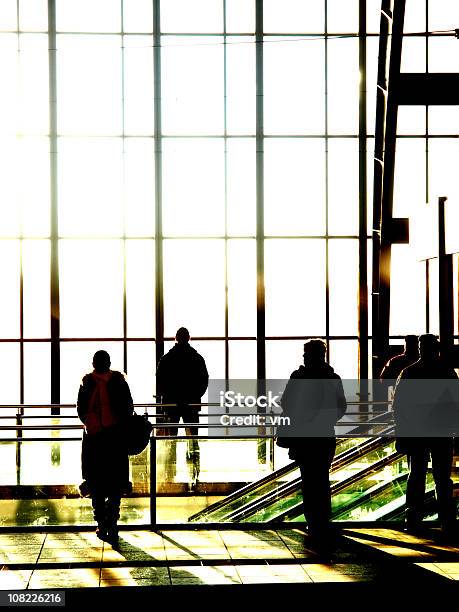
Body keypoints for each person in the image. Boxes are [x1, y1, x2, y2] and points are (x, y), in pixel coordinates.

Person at [279, 339, 347, 552]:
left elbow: (286, 403)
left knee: (308, 480)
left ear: (308, 355)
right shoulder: (332, 378)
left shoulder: (298, 377)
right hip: (324, 435)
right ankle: (323, 520)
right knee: (322, 478)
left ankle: (313, 521)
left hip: (304, 436)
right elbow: (341, 406)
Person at [392, 334, 459, 534]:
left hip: (417, 432)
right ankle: (447, 519)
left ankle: (413, 517)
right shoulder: (447, 372)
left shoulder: (409, 372)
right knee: (442, 476)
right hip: (441, 432)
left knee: (416, 475)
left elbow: (399, 406)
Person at [77, 350, 134, 545]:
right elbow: (128, 407)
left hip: (94, 437)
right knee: (116, 482)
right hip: (115, 437)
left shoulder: (87, 383)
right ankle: (112, 522)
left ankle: (102, 523)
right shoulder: (119, 382)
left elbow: (81, 409)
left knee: (97, 482)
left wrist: (90, 421)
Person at [156, 328, 208, 490]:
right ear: (189, 338)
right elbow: (203, 381)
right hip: (191, 404)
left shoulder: (167, 359)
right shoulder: (197, 358)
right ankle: (194, 473)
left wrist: (168, 397)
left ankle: (168, 473)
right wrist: (193, 397)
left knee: (170, 440)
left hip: (172, 404)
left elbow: (161, 381)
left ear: (176, 338)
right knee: (193, 439)